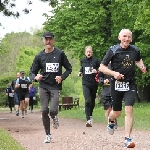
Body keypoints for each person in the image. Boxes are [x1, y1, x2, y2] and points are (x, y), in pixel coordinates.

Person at [99, 29, 146, 148]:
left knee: (129, 109)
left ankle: (127, 139)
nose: (127, 39)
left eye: (129, 37)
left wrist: (142, 67)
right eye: (124, 36)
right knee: (117, 112)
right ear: (119, 37)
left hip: (130, 83)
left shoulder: (135, 50)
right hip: (116, 84)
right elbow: (102, 67)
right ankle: (111, 120)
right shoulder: (113, 50)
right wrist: (114, 73)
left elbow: (138, 60)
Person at [29, 31, 72, 143]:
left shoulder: (60, 54)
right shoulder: (39, 56)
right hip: (43, 86)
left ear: (53, 40)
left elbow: (69, 68)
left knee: (53, 110)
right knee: (44, 110)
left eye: (50, 39)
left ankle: (54, 116)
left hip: (55, 86)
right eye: (46, 39)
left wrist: (62, 77)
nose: (48, 41)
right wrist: (35, 77)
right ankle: (48, 134)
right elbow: (32, 72)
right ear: (43, 41)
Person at [78, 46, 100, 127]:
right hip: (85, 83)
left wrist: (97, 71)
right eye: (87, 52)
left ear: (92, 52)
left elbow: (101, 69)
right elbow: (82, 68)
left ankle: (90, 115)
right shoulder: (83, 60)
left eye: (90, 52)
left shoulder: (96, 61)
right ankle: (88, 119)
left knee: (92, 100)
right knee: (87, 100)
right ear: (85, 53)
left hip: (94, 83)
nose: (88, 53)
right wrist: (80, 72)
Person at [98, 63, 117, 129]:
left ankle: (113, 121)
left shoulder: (117, 65)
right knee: (108, 109)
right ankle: (110, 124)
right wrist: (103, 81)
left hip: (115, 90)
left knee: (115, 109)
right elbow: (99, 78)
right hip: (106, 91)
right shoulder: (103, 67)